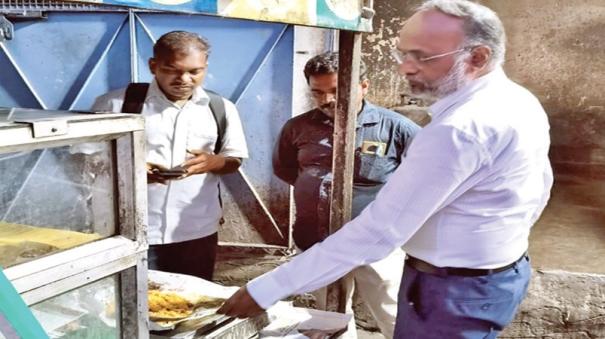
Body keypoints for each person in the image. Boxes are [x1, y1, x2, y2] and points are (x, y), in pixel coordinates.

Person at [218, 0, 553, 338]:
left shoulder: (459, 129)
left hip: (451, 290)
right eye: (402, 55)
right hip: (490, 274)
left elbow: (379, 232)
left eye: (421, 57)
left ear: (477, 57)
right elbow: (540, 188)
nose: (404, 68)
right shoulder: (517, 100)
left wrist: (266, 289)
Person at [272, 52, 419, 338]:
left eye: (336, 91)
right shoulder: (297, 128)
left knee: (393, 312)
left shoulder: (396, 129)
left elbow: (425, 180)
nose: (326, 100)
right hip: (319, 241)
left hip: (378, 242)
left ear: (363, 86)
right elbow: (287, 170)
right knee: (330, 316)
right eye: (317, 92)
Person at [92, 31, 248, 280]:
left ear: (205, 67)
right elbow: (82, 158)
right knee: (131, 307)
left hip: (196, 231)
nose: (184, 79)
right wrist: (129, 169)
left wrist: (213, 162)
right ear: (153, 66)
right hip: (128, 231)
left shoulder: (221, 108)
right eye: (172, 70)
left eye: (194, 71)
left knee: (190, 305)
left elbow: (234, 158)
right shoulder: (115, 105)